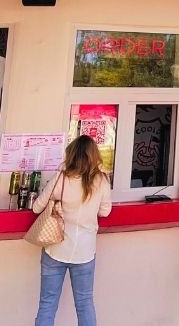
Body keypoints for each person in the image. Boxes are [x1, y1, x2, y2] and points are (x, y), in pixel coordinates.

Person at [32, 134, 113, 326]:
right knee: (85, 304)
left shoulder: (62, 177)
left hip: (56, 249)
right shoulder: (101, 180)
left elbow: (37, 207)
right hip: (85, 252)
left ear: (71, 154)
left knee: (47, 304)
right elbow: (105, 211)